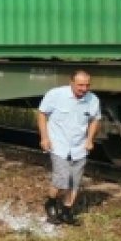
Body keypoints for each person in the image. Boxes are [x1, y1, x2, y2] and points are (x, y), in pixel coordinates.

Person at [37, 70, 102, 225]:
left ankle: (67, 212)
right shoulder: (55, 95)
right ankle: (51, 203)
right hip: (59, 145)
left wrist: (90, 139)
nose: (84, 89)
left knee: (75, 182)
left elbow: (95, 120)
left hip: (79, 148)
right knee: (62, 180)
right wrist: (44, 137)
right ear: (71, 83)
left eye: (87, 85)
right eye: (80, 85)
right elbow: (41, 114)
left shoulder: (93, 100)